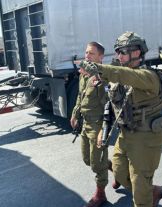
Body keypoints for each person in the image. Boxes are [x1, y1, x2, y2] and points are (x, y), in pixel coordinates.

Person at [79, 31, 162, 207]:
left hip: (145, 138)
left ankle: (146, 195)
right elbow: (111, 106)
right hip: (125, 135)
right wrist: (103, 130)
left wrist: (99, 69)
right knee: (119, 171)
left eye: (123, 51)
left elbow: (125, 75)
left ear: (136, 52)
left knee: (140, 190)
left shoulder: (147, 76)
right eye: (117, 51)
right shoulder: (121, 77)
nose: (119, 55)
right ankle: (152, 192)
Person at [70, 42, 109, 207]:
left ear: (101, 57)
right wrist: (75, 114)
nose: (87, 56)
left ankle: (100, 194)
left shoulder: (105, 76)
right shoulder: (84, 74)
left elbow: (110, 103)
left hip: (99, 124)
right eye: (86, 53)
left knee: (96, 163)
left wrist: (103, 130)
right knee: (88, 159)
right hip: (86, 122)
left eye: (91, 54)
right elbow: (80, 96)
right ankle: (113, 168)